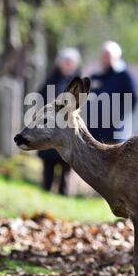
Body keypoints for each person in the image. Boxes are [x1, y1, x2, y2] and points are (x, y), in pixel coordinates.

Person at [38, 48, 81, 194]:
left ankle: (65, 192)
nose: (68, 64)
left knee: (66, 163)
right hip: (49, 128)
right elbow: (39, 100)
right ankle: (45, 189)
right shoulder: (51, 80)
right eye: (65, 61)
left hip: (67, 130)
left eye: (71, 62)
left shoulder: (79, 83)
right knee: (48, 162)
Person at [86, 41, 137, 143]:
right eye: (103, 55)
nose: (105, 58)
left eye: (108, 55)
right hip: (94, 132)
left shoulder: (123, 77)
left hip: (115, 132)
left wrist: (117, 115)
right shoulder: (95, 77)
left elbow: (132, 99)